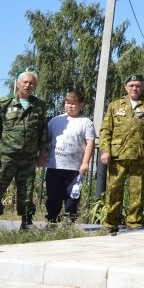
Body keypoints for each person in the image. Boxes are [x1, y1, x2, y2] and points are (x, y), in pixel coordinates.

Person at [0, 67, 49, 230]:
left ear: (35, 86)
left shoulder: (39, 105)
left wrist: (42, 153)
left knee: (26, 189)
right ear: (17, 83)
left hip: (28, 157)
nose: (28, 85)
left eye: (32, 83)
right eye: (25, 82)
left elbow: (43, 131)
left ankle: (26, 222)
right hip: (6, 155)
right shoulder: (3, 102)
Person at [99, 73, 144, 234]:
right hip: (117, 155)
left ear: (142, 87)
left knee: (137, 191)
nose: (135, 88)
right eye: (132, 85)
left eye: (138, 85)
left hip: (140, 155)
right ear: (126, 87)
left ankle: (134, 222)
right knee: (114, 190)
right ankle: (110, 222)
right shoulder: (115, 105)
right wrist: (105, 150)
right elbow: (106, 130)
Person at [45, 89, 96, 223]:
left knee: (72, 195)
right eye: (67, 103)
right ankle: (52, 219)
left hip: (74, 167)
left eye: (73, 103)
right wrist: (42, 156)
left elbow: (90, 142)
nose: (70, 106)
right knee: (53, 195)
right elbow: (46, 140)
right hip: (54, 165)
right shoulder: (55, 120)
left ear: (81, 105)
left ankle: (70, 219)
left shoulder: (86, 122)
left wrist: (85, 162)